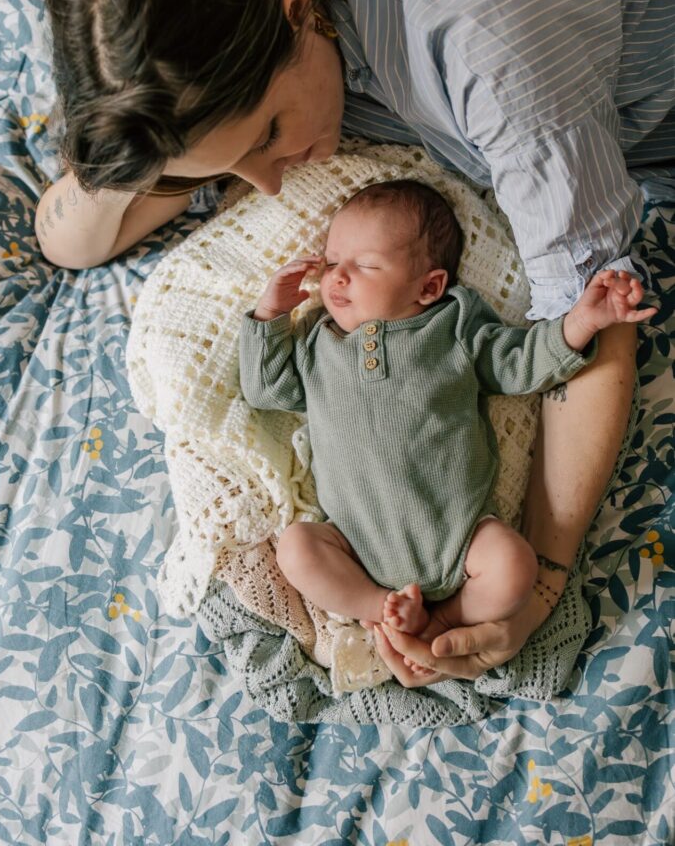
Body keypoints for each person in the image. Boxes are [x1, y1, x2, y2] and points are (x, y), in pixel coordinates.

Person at [36, 0, 673, 684]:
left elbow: (592, 312)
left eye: (267, 135)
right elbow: (67, 238)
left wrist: (541, 587)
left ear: (300, 11)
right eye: (224, 169)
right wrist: (138, 122)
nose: (267, 185)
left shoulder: (491, 62)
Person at [239, 180, 656, 677]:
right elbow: (266, 390)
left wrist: (581, 323)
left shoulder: (453, 328)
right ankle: (381, 609)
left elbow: (521, 363)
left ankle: (443, 621)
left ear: (429, 287)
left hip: (461, 537)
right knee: (296, 548)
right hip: (353, 541)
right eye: (331, 263)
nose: (338, 277)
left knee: (515, 566)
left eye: (365, 265)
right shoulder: (316, 343)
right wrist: (270, 315)